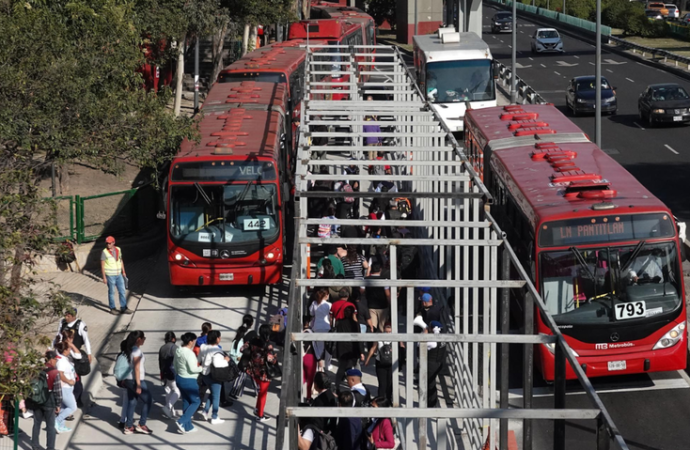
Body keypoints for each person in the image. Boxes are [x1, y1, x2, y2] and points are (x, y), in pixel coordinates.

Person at [53, 307, 91, 407]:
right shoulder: (62, 323)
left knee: (77, 382)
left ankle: (77, 400)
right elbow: (57, 335)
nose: (66, 317)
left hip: (74, 354)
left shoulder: (80, 325)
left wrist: (89, 353)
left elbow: (86, 339)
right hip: (64, 353)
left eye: (68, 316)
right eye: (65, 315)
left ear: (74, 316)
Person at [245, 324, 279, 422]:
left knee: (260, 392)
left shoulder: (253, 340)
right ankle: (260, 415)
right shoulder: (268, 345)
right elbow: (271, 359)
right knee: (263, 394)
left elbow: (242, 349)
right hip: (264, 373)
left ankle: (257, 409)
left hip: (254, 371)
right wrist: (275, 358)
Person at [29, 350, 62, 450]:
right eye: (55, 359)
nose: (56, 361)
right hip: (49, 401)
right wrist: (58, 404)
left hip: (37, 400)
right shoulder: (54, 372)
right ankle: (50, 448)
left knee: (37, 423)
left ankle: (35, 446)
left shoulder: (37, 369)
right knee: (50, 426)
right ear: (51, 360)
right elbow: (57, 390)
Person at [122, 330, 153, 435]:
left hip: (128, 379)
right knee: (148, 401)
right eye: (144, 338)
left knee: (132, 401)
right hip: (136, 380)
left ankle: (129, 426)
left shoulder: (130, 350)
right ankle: (141, 424)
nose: (144, 340)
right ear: (139, 340)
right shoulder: (136, 351)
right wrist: (139, 385)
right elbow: (136, 368)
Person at [198, 330, 230, 425]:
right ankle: (214, 416)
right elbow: (217, 364)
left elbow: (199, 359)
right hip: (214, 376)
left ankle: (205, 411)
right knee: (216, 396)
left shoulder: (203, 347)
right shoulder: (217, 350)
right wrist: (226, 360)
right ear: (217, 339)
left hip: (204, 374)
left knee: (213, 393)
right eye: (219, 337)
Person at [174, 332, 203, 434]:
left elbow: (175, 364)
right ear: (190, 341)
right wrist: (201, 368)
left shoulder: (178, 350)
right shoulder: (189, 353)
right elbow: (193, 368)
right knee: (196, 402)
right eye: (194, 340)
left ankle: (188, 426)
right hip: (189, 380)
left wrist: (178, 373)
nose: (195, 342)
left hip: (179, 378)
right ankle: (181, 421)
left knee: (186, 401)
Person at [334, 306, 364, 393]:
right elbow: (359, 339)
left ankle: (337, 385)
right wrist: (361, 351)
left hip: (342, 349)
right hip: (352, 350)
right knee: (352, 367)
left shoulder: (339, 323)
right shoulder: (355, 324)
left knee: (341, 368)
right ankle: (354, 384)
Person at [100, 236, 132, 315]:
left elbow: (121, 261)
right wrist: (104, 277)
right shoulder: (104, 252)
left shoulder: (118, 249)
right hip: (110, 275)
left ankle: (124, 307)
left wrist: (123, 271)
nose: (108, 245)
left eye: (109, 243)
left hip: (119, 274)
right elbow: (102, 265)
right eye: (107, 243)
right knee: (112, 292)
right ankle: (112, 308)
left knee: (122, 291)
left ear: (113, 243)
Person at [365, 322, 395, 401]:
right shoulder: (379, 337)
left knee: (390, 384)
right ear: (384, 330)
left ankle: (388, 400)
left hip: (391, 364)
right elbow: (373, 348)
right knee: (382, 384)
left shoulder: (395, 337)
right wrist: (367, 359)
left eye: (389, 332)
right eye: (386, 331)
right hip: (380, 363)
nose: (388, 333)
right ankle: (381, 400)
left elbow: (401, 348)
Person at [54, 339, 78, 433]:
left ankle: (61, 425)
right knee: (72, 407)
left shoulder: (64, 358)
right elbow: (60, 374)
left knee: (64, 408)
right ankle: (57, 421)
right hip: (65, 387)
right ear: (64, 350)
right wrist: (69, 381)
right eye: (69, 349)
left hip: (68, 387)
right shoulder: (61, 361)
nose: (70, 351)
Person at [309, 288, 332, 371]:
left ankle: (319, 364)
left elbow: (311, 313)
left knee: (319, 348)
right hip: (327, 326)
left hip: (317, 327)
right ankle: (327, 364)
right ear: (326, 295)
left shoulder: (314, 303)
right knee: (328, 347)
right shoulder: (329, 305)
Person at [158, 331, 179, 420]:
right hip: (172, 372)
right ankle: (168, 407)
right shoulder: (175, 348)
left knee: (168, 391)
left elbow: (160, 361)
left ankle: (170, 412)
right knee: (177, 392)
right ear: (173, 339)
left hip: (164, 372)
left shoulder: (162, 348)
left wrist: (161, 372)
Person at [365, 262, 391, 333]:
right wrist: (390, 304)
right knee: (382, 327)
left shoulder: (366, 280)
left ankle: (373, 342)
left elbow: (362, 291)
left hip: (371, 306)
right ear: (380, 269)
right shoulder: (385, 280)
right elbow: (387, 294)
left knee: (372, 327)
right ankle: (381, 342)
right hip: (383, 306)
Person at [310, 372, 337, 436]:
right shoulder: (331, 394)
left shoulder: (319, 401)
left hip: (322, 435)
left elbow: (318, 423)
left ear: (316, 384)